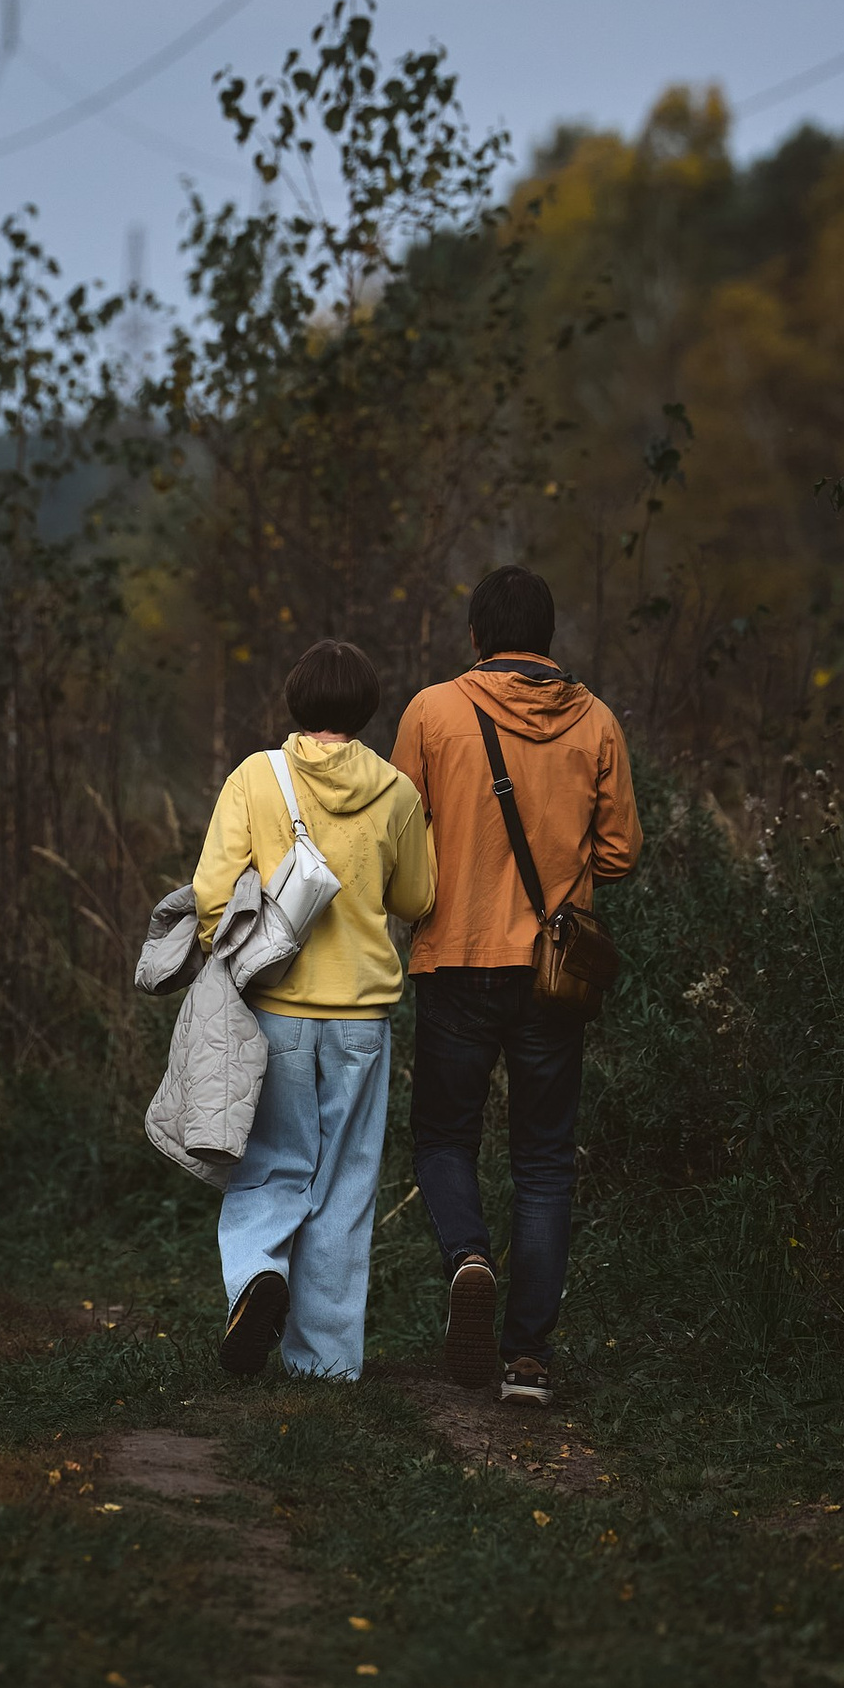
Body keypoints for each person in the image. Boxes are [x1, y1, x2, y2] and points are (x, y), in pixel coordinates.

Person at [390, 564, 642, 1408]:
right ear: (547, 638)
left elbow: (400, 841)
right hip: (551, 971)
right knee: (542, 1160)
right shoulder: (596, 719)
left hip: (455, 958)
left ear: (474, 637)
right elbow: (620, 854)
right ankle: (528, 1361)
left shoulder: (431, 711)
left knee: (443, 1138)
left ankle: (467, 1255)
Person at [194, 637, 437, 1383]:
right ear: (366, 709)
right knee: (345, 1183)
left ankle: (259, 1277)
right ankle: (323, 1364)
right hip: (362, 1019)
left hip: (273, 1009)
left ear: (295, 703)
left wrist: (228, 945)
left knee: (269, 1168)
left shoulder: (254, 777)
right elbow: (416, 899)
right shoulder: (397, 791)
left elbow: (211, 892)